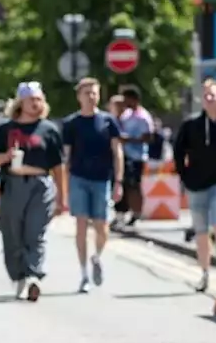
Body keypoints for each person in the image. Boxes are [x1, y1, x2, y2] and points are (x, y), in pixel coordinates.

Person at [0, 82, 66, 302]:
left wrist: (62, 198)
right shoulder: (5, 129)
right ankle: (19, 276)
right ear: (21, 102)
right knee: (13, 234)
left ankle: (33, 276)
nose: (37, 103)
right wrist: (5, 157)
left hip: (41, 184)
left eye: (40, 99)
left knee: (36, 233)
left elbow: (59, 166)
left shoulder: (49, 130)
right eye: (32, 99)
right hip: (14, 183)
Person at [173, 78, 216, 293]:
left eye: (213, 95)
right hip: (196, 185)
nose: (209, 99)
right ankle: (203, 274)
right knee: (201, 232)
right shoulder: (191, 125)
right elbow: (178, 151)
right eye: (205, 95)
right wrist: (184, 176)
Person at [61, 78, 123, 293]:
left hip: (102, 179)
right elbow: (66, 156)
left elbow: (117, 152)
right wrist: (63, 186)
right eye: (87, 93)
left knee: (101, 226)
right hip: (78, 178)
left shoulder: (108, 121)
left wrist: (119, 181)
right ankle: (83, 273)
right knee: (80, 225)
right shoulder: (71, 123)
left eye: (94, 93)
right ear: (79, 96)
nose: (91, 96)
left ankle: (96, 257)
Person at [116, 86, 156, 226]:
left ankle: (137, 213)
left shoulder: (143, 117)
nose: (125, 101)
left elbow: (148, 137)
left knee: (134, 186)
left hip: (136, 156)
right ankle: (123, 212)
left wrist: (130, 139)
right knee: (124, 184)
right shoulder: (126, 114)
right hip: (124, 155)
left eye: (127, 98)